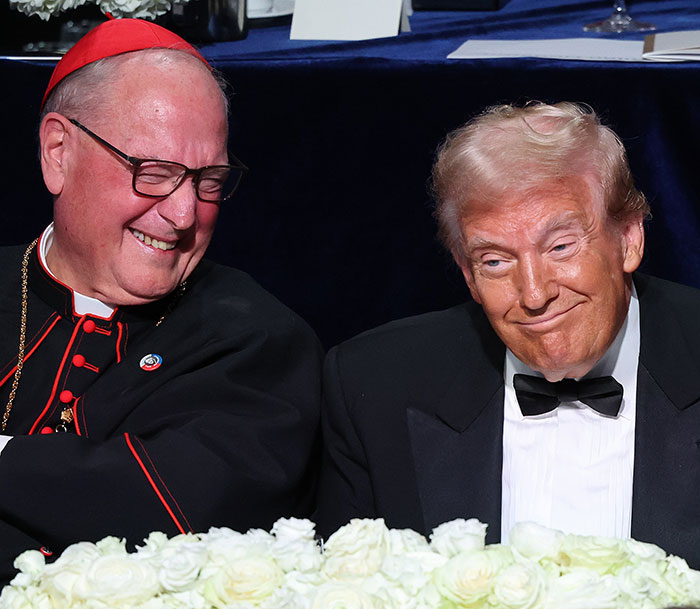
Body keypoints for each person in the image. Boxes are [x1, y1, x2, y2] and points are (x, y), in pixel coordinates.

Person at [0, 18, 322, 583]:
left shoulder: (258, 339)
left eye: (208, 180)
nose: (183, 214)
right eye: (154, 172)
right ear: (58, 153)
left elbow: (187, 514)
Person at [315, 102, 700, 568]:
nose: (534, 294)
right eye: (496, 260)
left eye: (560, 246)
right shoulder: (374, 388)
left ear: (629, 238)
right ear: (467, 275)